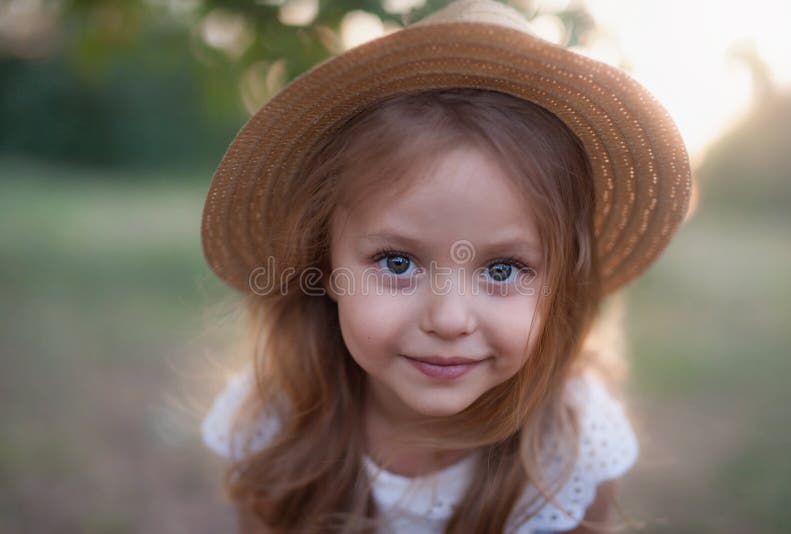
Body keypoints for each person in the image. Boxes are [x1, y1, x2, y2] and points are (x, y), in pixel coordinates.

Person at [198, 0, 693, 532]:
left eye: (502, 270)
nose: (450, 319)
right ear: (325, 266)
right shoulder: (279, 421)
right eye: (397, 261)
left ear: (558, 285)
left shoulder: (571, 445)